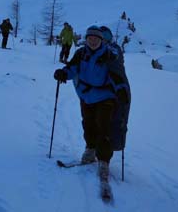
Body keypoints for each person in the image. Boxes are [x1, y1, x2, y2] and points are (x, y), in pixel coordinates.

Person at [53, 25, 128, 183]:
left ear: (101, 40)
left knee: (104, 127)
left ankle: (104, 161)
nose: (92, 41)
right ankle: (90, 149)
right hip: (86, 95)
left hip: (105, 96)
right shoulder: (81, 53)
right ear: (86, 39)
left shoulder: (109, 55)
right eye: (90, 38)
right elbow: (72, 68)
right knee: (88, 124)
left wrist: (121, 90)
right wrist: (63, 73)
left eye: (96, 38)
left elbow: (117, 76)